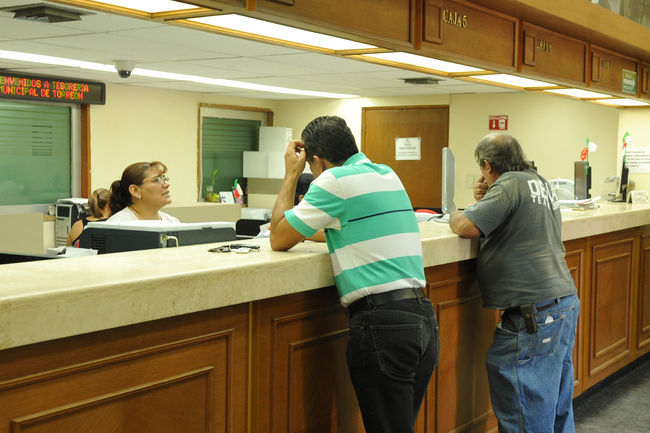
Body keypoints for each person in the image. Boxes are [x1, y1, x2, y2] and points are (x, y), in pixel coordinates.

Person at [269, 115, 439, 433]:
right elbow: (345, 230)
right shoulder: (386, 174)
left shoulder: (333, 181)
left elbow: (278, 236)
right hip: (422, 319)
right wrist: (304, 231)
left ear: (317, 161)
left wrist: (291, 174)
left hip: (382, 325)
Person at [449, 133, 579, 433]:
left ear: (487, 165)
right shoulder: (539, 181)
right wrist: (486, 199)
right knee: (555, 401)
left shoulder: (509, 183)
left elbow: (467, 227)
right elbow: (515, 219)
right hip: (562, 302)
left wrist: (455, 213)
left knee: (525, 405)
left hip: (534, 313)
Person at [107, 161, 179, 222]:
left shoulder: (173, 222)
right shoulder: (117, 225)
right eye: (156, 180)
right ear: (135, 191)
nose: (166, 184)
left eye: (164, 178)